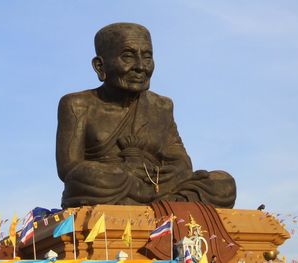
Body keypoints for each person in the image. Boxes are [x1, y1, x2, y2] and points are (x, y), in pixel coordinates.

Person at [56, 23, 236, 208]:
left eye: (147, 57)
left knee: (222, 183)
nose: (141, 67)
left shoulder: (161, 106)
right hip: (112, 185)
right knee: (89, 177)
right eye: (128, 56)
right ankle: (170, 205)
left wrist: (171, 172)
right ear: (100, 66)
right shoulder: (77, 104)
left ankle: (164, 204)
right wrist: (123, 172)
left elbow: (181, 161)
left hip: (159, 186)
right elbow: (69, 169)